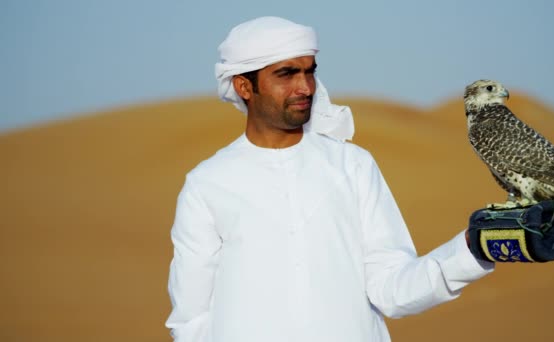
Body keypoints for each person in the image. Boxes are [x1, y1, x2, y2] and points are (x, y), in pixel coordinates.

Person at [165, 16, 496, 342]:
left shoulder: (351, 166)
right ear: (243, 86)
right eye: (286, 73)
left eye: (310, 71)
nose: (305, 86)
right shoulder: (207, 184)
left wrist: (472, 248)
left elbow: (391, 288)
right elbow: (191, 321)